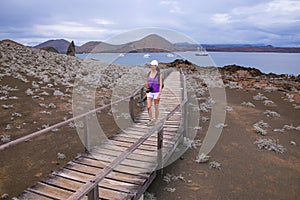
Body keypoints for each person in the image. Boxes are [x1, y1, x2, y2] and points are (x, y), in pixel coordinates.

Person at [145, 59, 163, 126]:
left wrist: (159, 93)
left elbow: (161, 84)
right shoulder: (148, 73)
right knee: (149, 106)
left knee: (156, 106)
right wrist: (146, 90)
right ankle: (150, 119)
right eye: (151, 65)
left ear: (155, 66)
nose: (151, 66)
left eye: (152, 65)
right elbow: (147, 82)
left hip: (156, 92)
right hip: (149, 92)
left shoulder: (159, 74)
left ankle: (156, 120)